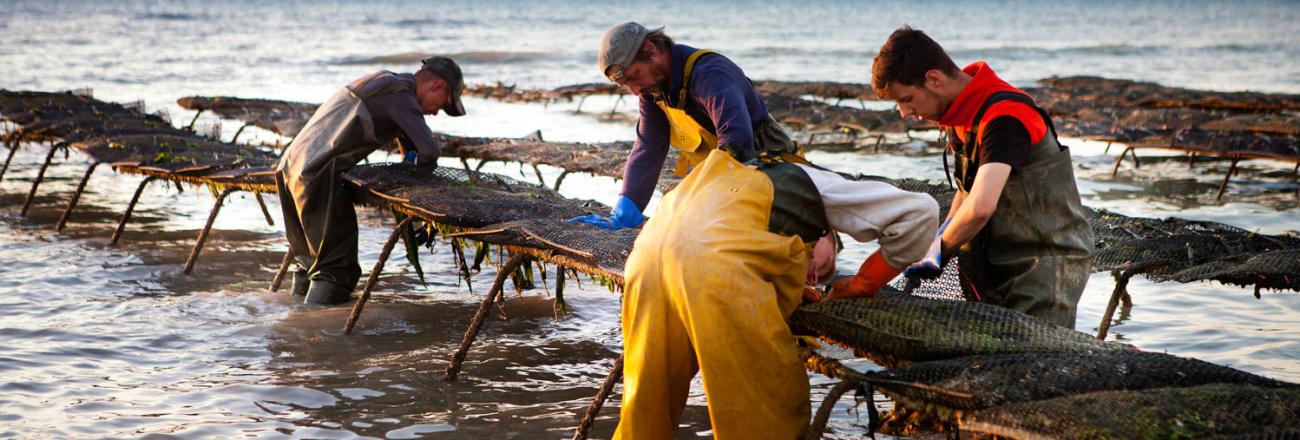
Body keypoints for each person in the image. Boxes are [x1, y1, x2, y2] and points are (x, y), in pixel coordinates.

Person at [615, 148, 937, 439]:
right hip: (713, 269)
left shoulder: (725, 181)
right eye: (820, 265)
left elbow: (741, 238)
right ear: (826, 233)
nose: (814, 275)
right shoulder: (816, 184)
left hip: (645, 262)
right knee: (765, 414)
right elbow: (921, 212)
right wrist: (863, 282)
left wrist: (793, 292)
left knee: (645, 411)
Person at [871, 26, 1095, 328]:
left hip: (1044, 261)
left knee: (1031, 362)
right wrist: (938, 238)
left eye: (907, 99)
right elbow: (966, 194)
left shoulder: (1005, 118)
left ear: (934, 80)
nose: (904, 112)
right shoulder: (958, 115)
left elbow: (980, 208)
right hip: (996, 260)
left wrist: (938, 251)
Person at [570, 22, 804, 230]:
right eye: (625, 84)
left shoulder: (710, 75)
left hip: (777, 179)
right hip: (726, 178)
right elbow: (648, 148)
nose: (634, 89)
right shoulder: (653, 90)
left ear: (651, 51)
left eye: (634, 76)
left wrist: (691, 204)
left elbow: (736, 143)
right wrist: (624, 212)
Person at [275, 57, 466, 305]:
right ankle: (318, 338)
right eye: (443, 105)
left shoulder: (382, 81)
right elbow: (430, 152)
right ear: (438, 86)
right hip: (318, 175)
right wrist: (425, 183)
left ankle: (290, 322)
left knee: (309, 262)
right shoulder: (401, 96)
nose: (435, 112)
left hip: (289, 169)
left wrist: (410, 161)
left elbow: (408, 143)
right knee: (336, 271)